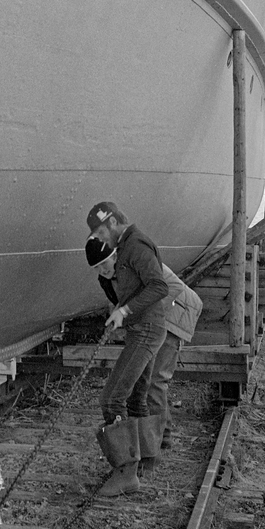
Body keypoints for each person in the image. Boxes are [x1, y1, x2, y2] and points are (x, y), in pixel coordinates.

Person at [85, 238, 202, 471]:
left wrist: (145, 309)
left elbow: (175, 287)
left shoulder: (137, 261)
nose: (102, 270)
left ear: (116, 255)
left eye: (105, 263)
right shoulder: (109, 277)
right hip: (155, 319)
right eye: (96, 267)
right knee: (142, 385)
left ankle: (161, 440)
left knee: (156, 381)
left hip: (176, 314)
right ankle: (151, 444)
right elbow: (121, 301)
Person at [84, 201, 168, 496]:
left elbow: (159, 287)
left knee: (111, 398)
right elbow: (130, 287)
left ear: (111, 224)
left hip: (147, 329)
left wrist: (125, 310)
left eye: (99, 232)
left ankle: (126, 474)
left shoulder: (135, 246)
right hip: (142, 328)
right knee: (136, 396)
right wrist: (118, 311)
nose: (99, 239)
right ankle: (146, 460)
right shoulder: (124, 248)